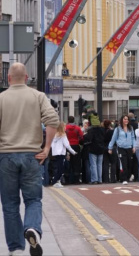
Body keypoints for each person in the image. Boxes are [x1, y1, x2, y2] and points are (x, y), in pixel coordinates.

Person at [0, 62, 59, 255]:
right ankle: (32, 228)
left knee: (10, 204)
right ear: (26, 78)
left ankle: (16, 248)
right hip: (33, 155)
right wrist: (47, 146)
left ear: (8, 78)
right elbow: (52, 120)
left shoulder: (1, 98)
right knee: (33, 199)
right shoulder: (38, 96)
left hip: (6, 156)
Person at [107, 115, 136, 185]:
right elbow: (113, 139)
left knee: (129, 163)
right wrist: (110, 148)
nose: (126, 120)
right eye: (124, 119)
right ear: (122, 120)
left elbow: (133, 138)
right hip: (121, 148)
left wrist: (134, 146)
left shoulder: (130, 128)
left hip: (129, 147)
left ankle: (127, 177)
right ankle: (124, 178)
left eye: (127, 119)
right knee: (124, 163)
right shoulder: (118, 129)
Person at [50, 122, 77, 187]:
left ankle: (56, 180)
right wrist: (73, 152)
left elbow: (51, 145)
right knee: (61, 168)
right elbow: (67, 145)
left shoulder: (54, 135)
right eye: (64, 127)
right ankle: (55, 181)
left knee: (59, 167)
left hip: (55, 153)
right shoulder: (63, 135)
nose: (65, 128)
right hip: (61, 153)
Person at [87, 112, 106, 184]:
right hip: (101, 148)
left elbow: (89, 139)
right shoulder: (102, 129)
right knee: (99, 164)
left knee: (93, 165)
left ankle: (94, 179)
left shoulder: (91, 130)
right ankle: (100, 179)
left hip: (93, 148)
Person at [65, 115, 83, 184]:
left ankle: (67, 179)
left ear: (68, 121)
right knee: (76, 163)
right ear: (74, 120)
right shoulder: (77, 128)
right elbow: (81, 137)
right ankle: (76, 179)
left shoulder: (65, 128)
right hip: (76, 146)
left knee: (68, 162)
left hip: (68, 146)